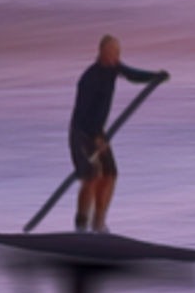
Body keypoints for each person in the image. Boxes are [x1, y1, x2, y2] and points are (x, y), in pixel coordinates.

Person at [67, 33, 169, 232]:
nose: (116, 57)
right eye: (112, 53)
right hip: (81, 134)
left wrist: (155, 77)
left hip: (98, 133)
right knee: (92, 176)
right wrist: (95, 136)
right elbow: (83, 112)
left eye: (118, 53)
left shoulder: (114, 68)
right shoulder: (89, 78)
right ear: (102, 52)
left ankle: (98, 223)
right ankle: (80, 226)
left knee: (110, 175)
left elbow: (132, 74)